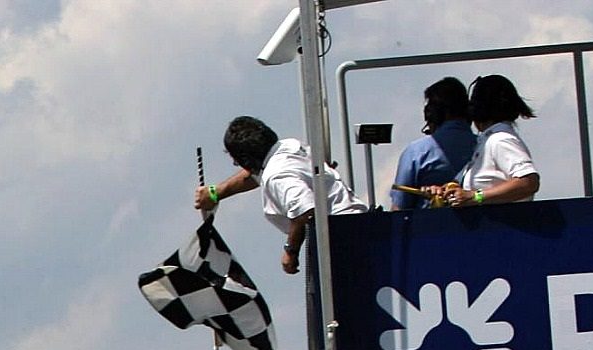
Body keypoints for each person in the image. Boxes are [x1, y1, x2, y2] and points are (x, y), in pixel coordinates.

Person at [197, 115, 366, 275]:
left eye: (237, 159)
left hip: (341, 239)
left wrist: (290, 251)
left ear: (246, 159)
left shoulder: (276, 175)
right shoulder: (288, 147)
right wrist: (215, 193)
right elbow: (253, 176)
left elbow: (305, 210)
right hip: (357, 225)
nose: (235, 164)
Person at [434, 75, 539, 207]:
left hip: (504, 225)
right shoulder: (487, 140)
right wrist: (447, 190)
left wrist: (476, 196)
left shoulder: (500, 139)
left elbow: (528, 182)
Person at [390, 78, 474, 211]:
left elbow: (399, 208)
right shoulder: (485, 146)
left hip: (429, 229)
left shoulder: (416, 152)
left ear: (432, 114)